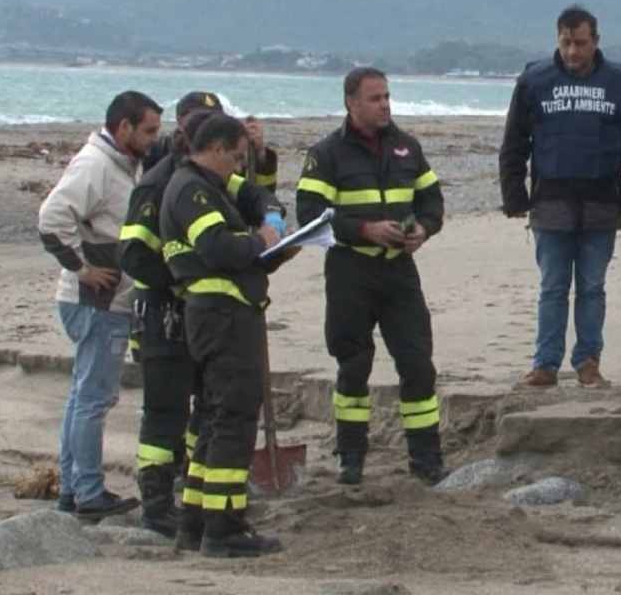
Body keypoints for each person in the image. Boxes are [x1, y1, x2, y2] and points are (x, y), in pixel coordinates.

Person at [119, 104, 284, 538]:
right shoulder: (181, 187)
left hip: (208, 310)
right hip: (192, 312)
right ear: (210, 146)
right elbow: (206, 248)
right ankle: (203, 520)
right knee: (210, 415)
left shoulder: (208, 181)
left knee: (211, 416)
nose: (238, 166)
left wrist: (272, 220)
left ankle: (195, 516)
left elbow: (254, 195)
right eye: (235, 155)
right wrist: (258, 243)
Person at [296, 68, 446, 487]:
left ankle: (426, 458)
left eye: (387, 96)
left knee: (417, 363)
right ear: (351, 103)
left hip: (398, 270)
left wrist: (425, 230)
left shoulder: (407, 147)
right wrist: (364, 230)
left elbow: (432, 200)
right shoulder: (326, 154)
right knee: (353, 365)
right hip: (350, 272)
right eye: (375, 98)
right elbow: (309, 217)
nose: (385, 104)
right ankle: (351, 456)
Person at [499, 5, 621, 388]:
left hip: (602, 203)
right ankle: (546, 363)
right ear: (557, 39)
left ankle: (588, 361)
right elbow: (514, 142)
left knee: (592, 287)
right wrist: (513, 194)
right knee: (552, 286)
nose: (572, 52)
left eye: (580, 43)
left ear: (596, 41)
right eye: (565, 43)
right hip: (550, 203)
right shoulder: (534, 80)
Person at [37, 90, 162, 519]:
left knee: (83, 396)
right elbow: (51, 219)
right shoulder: (96, 165)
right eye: (147, 131)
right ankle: (88, 493)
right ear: (123, 127)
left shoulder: (121, 164)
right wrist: (82, 269)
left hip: (103, 300)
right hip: (96, 301)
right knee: (94, 398)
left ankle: (74, 489)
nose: (152, 140)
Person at [145, 91, 279, 192]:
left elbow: (260, 193)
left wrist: (260, 156)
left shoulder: (225, 154)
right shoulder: (158, 151)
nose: (207, 126)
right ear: (180, 121)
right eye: (201, 119)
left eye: (213, 120)